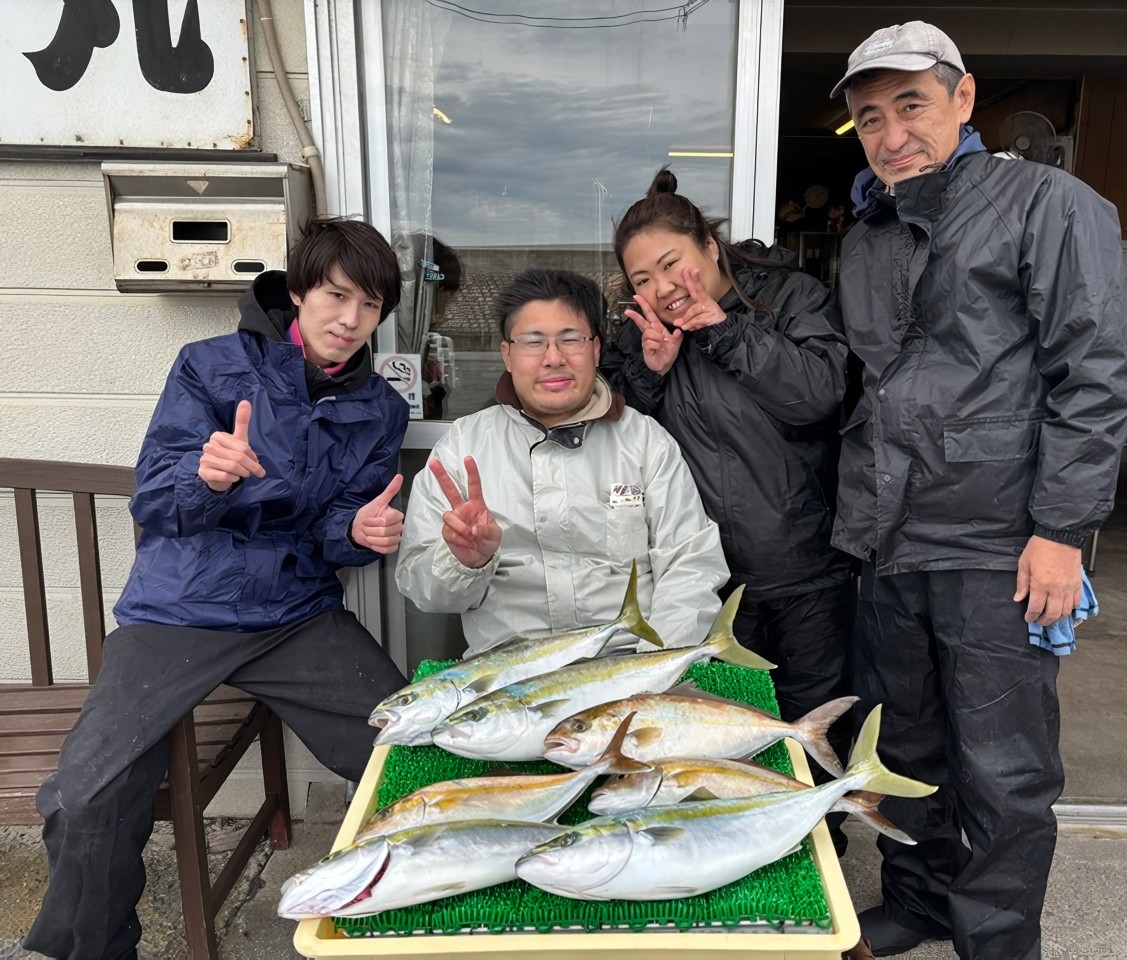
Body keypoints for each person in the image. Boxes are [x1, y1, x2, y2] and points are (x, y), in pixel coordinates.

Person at [20, 217, 412, 960]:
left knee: (402, 747)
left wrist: (354, 535)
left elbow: (335, 525)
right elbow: (155, 501)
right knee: (87, 794)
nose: (350, 319)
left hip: (293, 613)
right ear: (298, 291)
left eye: (370, 307)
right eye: (335, 295)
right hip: (179, 609)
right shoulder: (208, 368)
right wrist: (203, 477)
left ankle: (415, 907)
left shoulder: (379, 410)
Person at [828, 21, 1127, 959]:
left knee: (1004, 769)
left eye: (911, 106)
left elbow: (1094, 376)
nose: (892, 134)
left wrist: (1061, 530)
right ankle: (921, 902)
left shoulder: (1048, 202)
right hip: (889, 539)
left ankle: (997, 940)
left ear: (964, 98)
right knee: (909, 747)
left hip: (997, 540)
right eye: (871, 117)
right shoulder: (868, 233)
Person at [602, 168, 855, 850]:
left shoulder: (792, 298)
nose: (660, 289)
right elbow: (627, 444)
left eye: (669, 265)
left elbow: (819, 395)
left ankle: (818, 863)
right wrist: (649, 374)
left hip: (807, 569)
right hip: (711, 584)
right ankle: (739, 861)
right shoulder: (645, 332)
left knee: (810, 730)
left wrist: (721, 330)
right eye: (642, 280)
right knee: (719, 736)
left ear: (710, 249)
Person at [396, 268, 729, 654]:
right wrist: (463, 563)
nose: (553, 358)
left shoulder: (645, 442)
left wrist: (650, 672)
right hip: (507, 677)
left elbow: (691, 565)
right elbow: (424, 592)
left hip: (629, 667)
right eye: (533, 342)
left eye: (571, 339)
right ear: (506, 354)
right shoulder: (463, 447)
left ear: (597, 349)